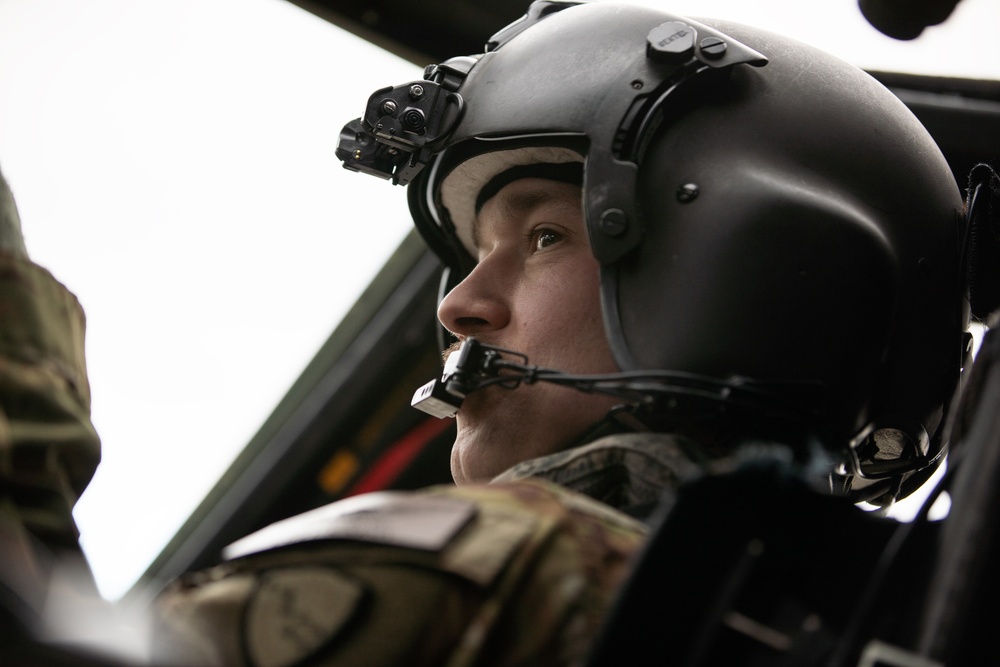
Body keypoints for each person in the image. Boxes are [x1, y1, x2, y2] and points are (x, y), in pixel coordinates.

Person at [2, 1, 979, 665]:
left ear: (740, 263)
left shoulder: (502, 568)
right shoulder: (784, 612)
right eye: (473, 252)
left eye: (544, 235)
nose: (457, 306)